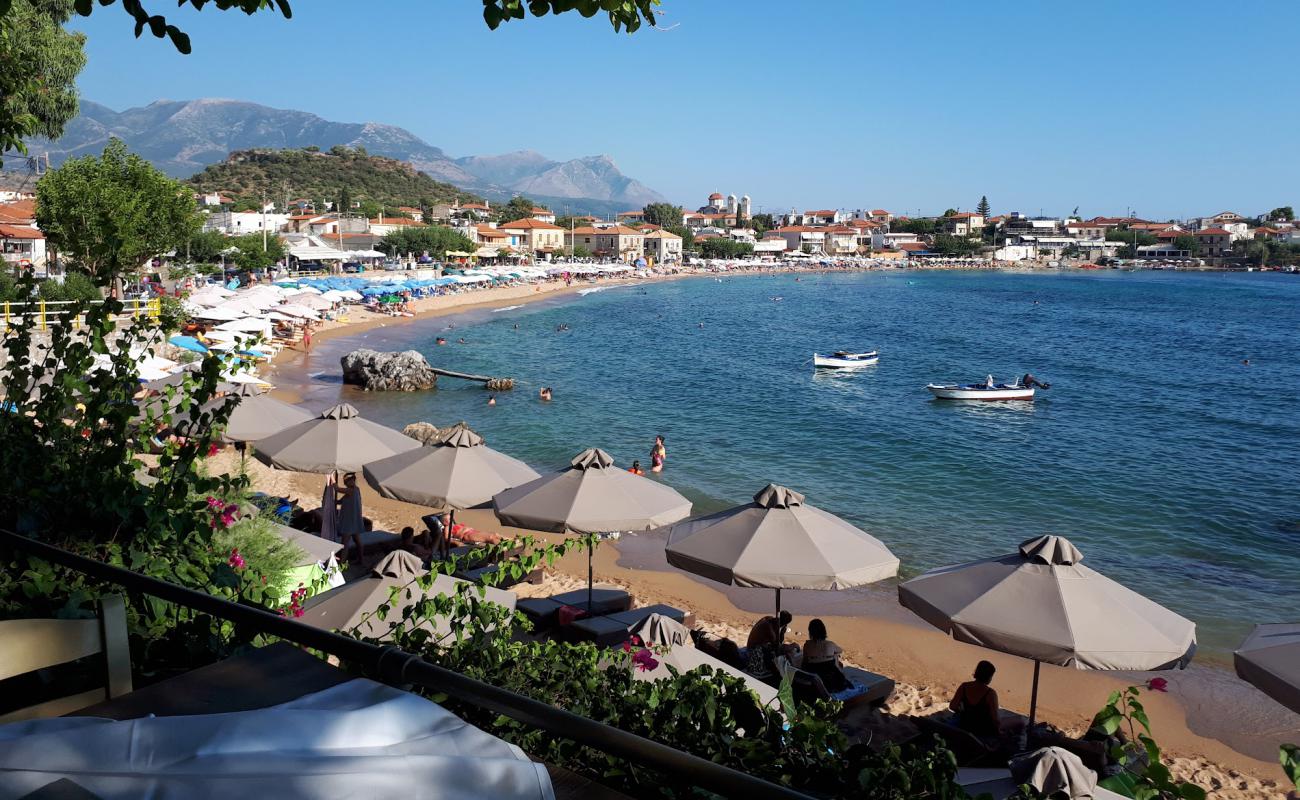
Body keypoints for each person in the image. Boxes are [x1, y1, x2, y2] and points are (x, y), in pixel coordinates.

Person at [949, 660, 1002, 740]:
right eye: (991, 676)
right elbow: (996, 721)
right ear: (989, 677)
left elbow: (952, 706)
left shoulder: (964, 686)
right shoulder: (990, 693)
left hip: (965, 724)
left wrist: (962, 711)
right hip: (982, 730)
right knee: (1020, 721)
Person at [802, 618, 850, 692]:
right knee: (835, 654)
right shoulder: (829, 644)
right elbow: (840, 650)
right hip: (831, 680)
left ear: (810, 632)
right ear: (823, 631)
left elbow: (805, 660)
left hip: (815, 678)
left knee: (832, 655)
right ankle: (838, 669)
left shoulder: (807, 645)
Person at [337, 472, 366, 564]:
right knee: (357, 541)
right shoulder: (356, 490)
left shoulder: (351, 490)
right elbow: (341, 501)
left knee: (344, 544)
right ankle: (361, 560)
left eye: (351, 480)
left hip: (349, 522)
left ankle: (341, 565)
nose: (350, 482)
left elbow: (336, 489)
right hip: (354, 521)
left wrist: (331, 479)